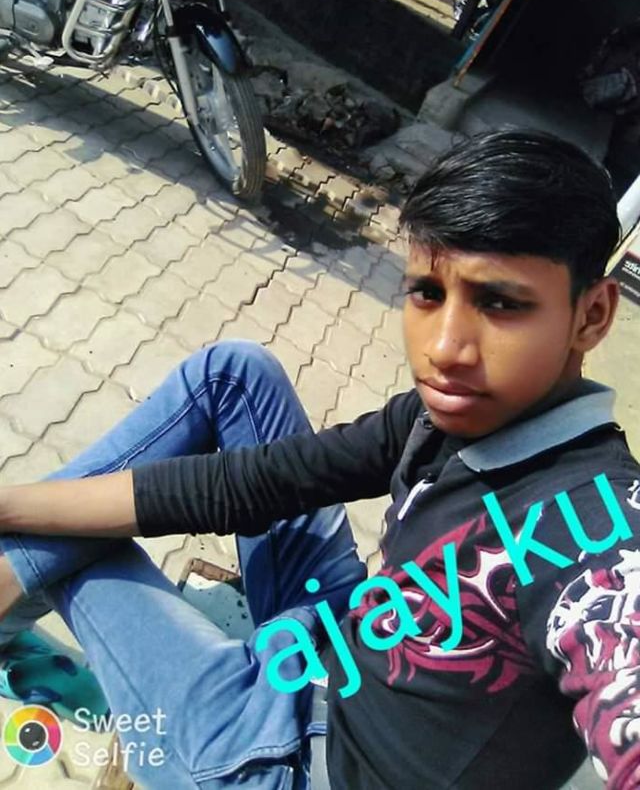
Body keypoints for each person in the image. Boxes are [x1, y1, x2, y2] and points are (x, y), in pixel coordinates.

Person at [0, 129, 637, 790]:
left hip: (290, 766)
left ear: (592, 315)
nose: (445, 348)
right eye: (427, 293)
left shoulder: (599, 536)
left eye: (500, 303)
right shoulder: (450, 415)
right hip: (341, 645)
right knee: (235, 376)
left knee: (76, 538)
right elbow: (264, 480)